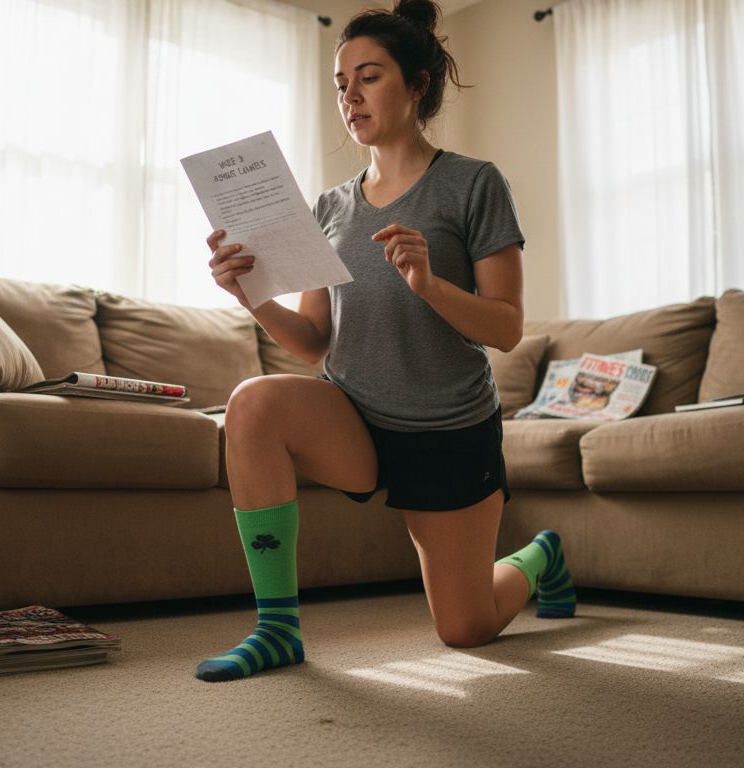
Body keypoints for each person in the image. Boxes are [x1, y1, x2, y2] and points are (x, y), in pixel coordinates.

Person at [196, 0, 575, 683]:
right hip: (356, 416)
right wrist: (250, 295)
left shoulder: (473, 184)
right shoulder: (330, 207)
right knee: (252, 403)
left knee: (466, 630)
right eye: (341, 84)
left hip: (447, 428)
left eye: (367, 77)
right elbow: (314, 342)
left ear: (417, 84)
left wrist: (428, 284)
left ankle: (540, 555)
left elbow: (508, 327)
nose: (350, 97)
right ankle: (277, 629)